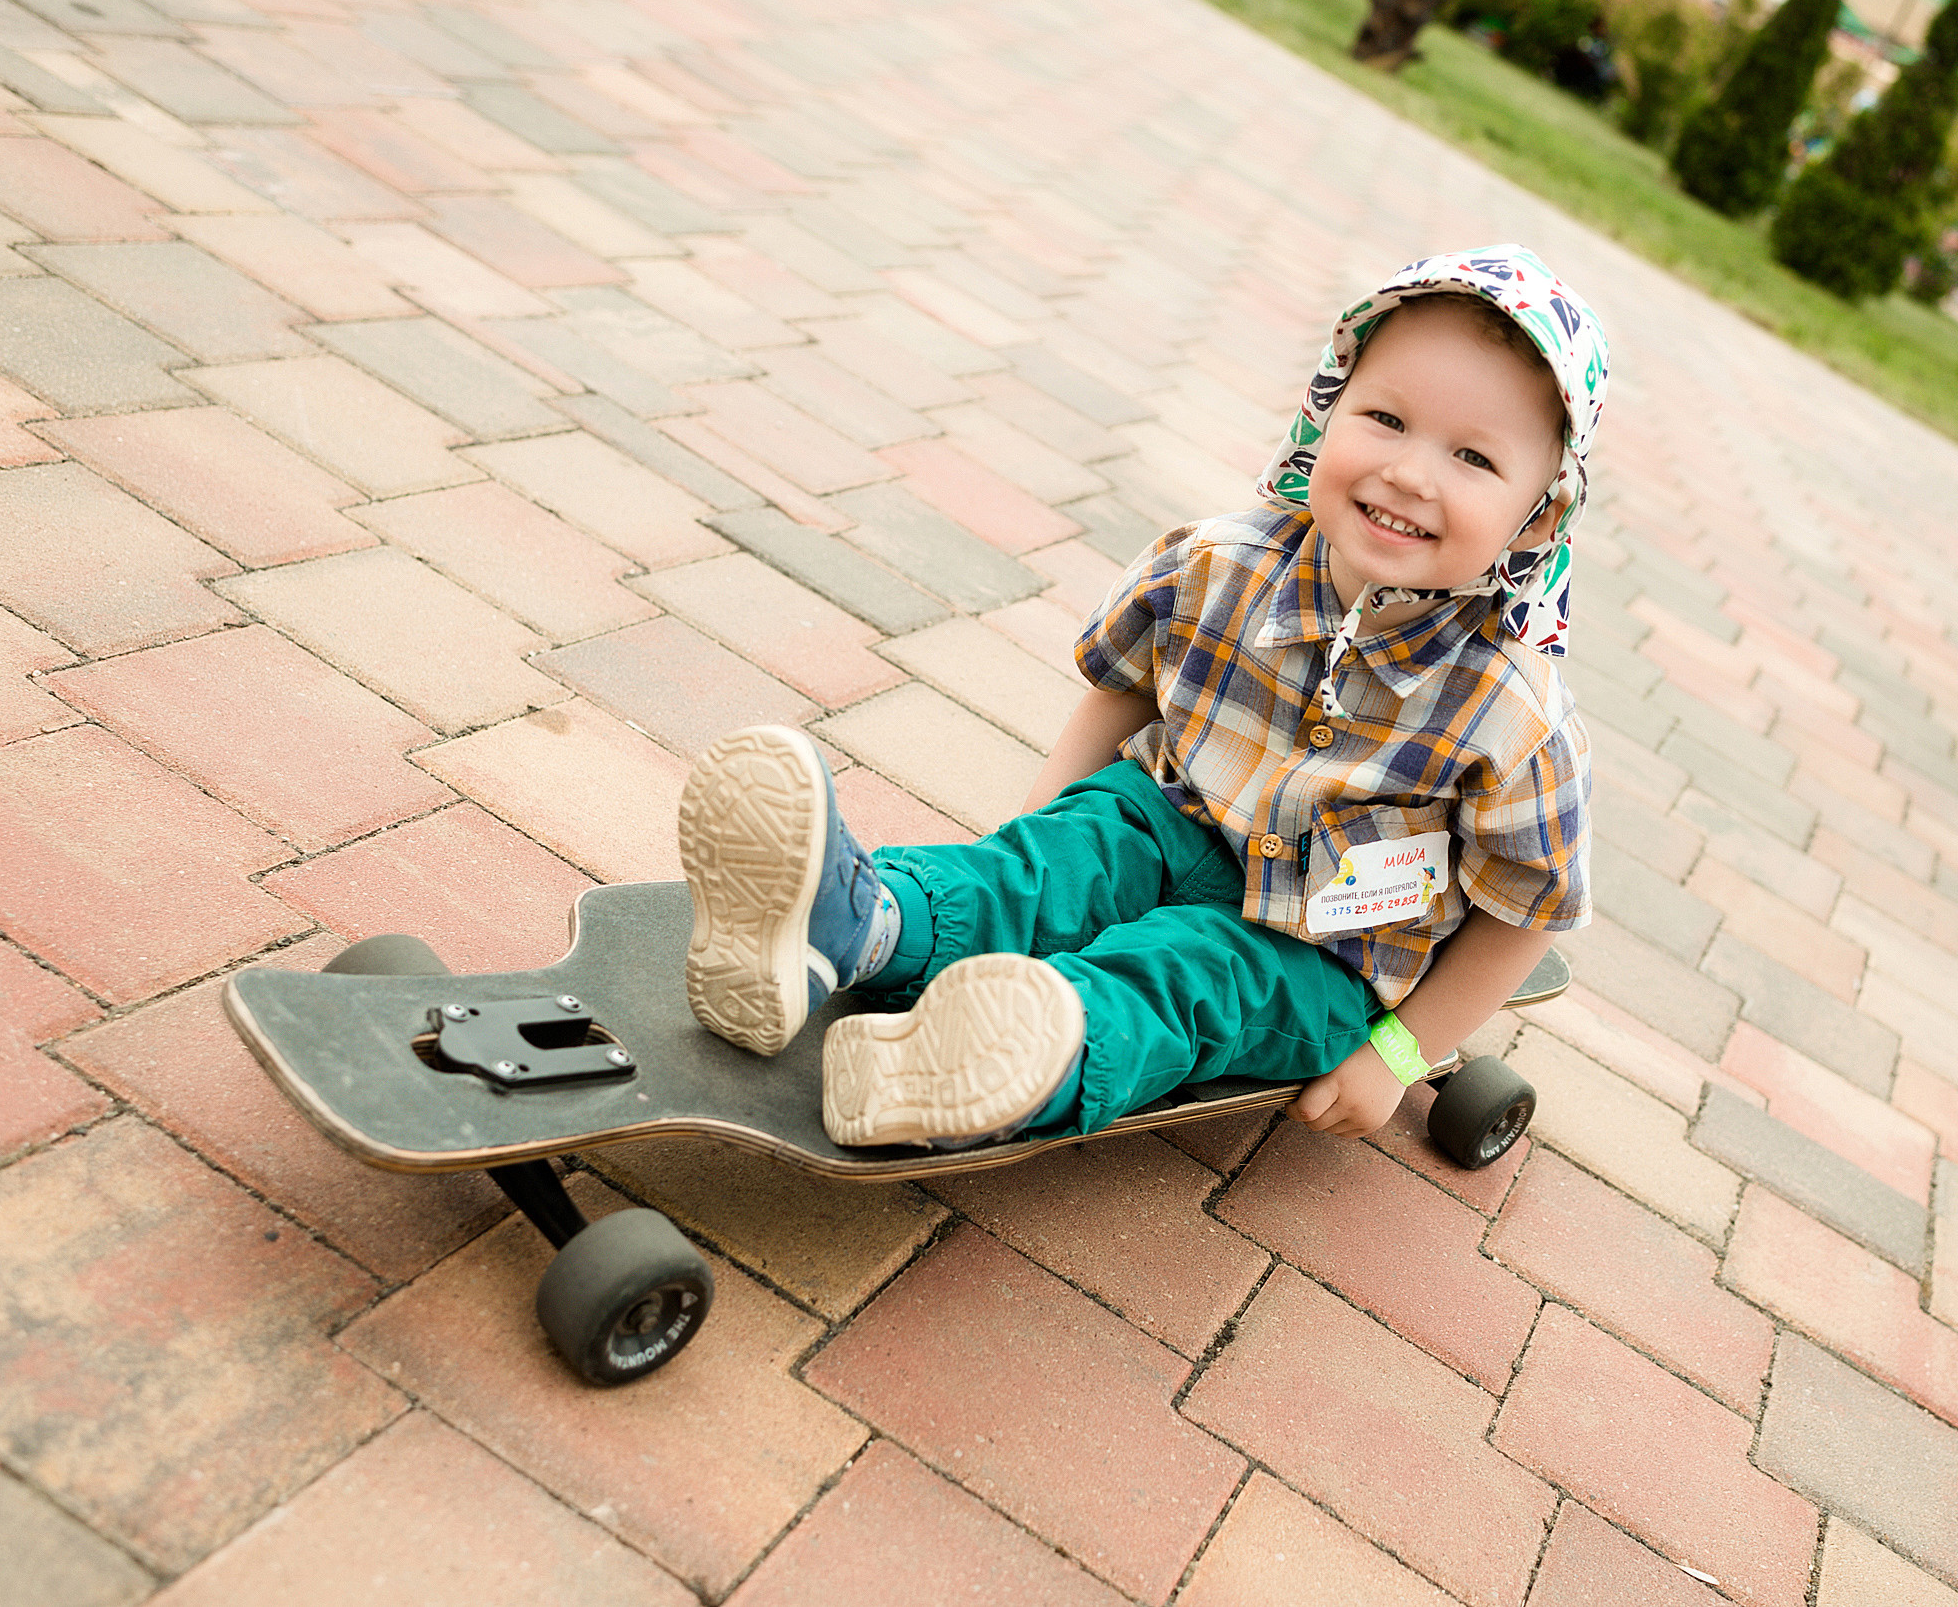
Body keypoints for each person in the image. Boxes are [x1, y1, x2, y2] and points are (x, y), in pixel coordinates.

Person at [674, 247, 1604, 1147]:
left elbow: (1526, 913)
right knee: (1057, 864)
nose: (1410, 472)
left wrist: (1401, 1054)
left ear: (1540, 513)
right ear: (1328, 406)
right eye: (1386, 420)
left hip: (1316, 950)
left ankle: (1008, 1057)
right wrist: (1029, 841)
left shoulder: (1512, 715)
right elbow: (1121, 690)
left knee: (1191, 972)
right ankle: (843, 929)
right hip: (1161, 820)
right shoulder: (1220, 560)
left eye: (1474, 458)